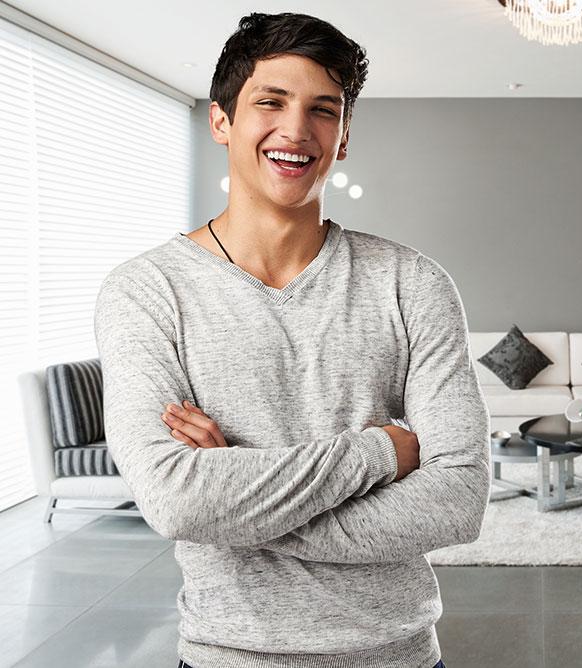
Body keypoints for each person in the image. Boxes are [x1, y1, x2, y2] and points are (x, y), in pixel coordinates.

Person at [93, 12, 490, 668]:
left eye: (323, 109)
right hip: (227, 657)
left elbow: (458, 501)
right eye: (270, 102)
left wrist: (241, 508)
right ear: (221, 121)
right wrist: (380, 453)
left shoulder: (414, 283)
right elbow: (177, 499)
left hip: (402, 656)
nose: (296, 130)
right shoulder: (147, 290)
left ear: (344, 136)